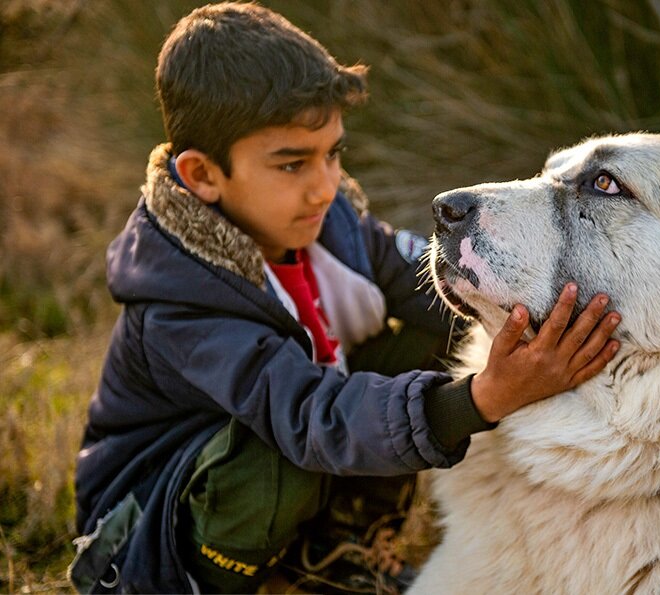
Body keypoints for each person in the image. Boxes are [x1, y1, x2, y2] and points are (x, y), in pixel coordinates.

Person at [69, 3, 621, 593]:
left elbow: (415, 275)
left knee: (440, 308)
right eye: (291, 164)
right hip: (153, 534)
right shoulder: (180, 302)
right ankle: (246, 582)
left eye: (332, 153)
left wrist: (535, 318)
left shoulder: (327, 220)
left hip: (287, 446)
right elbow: (311, 416)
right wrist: (484, 397)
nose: (324, 185)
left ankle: (337, 550)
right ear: (203, 176)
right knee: (280, 453)